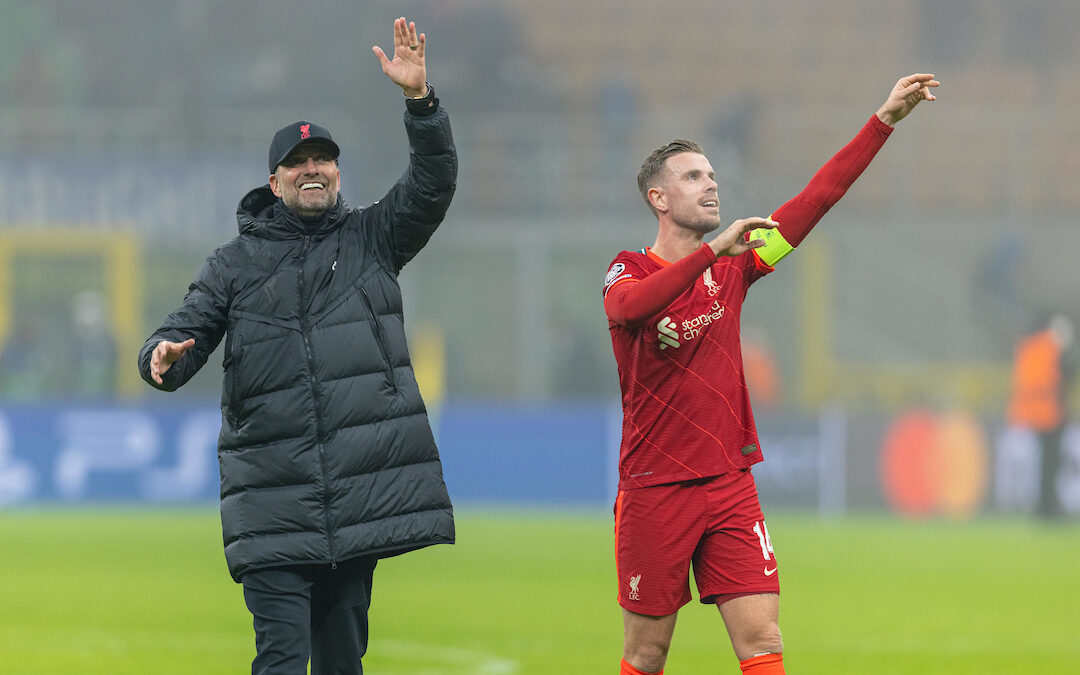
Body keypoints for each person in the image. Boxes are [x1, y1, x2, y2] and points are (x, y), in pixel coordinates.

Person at [137, 17, 456, 674]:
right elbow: (184, 330)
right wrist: (161, 356)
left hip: (353, 503)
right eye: (297, 164)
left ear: (337, 171)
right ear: (274, 182)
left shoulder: (374, 240)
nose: (313, 170)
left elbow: (433, 185)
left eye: (323, 160)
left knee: (342, 662)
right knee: (280, 659)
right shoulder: (234, 263)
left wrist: (420, 103)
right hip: (273, 500)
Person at [603, 74, 939, 674]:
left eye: (712, 174)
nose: (711, 185)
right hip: (655, 488)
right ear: (658, 197)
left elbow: (818, 197)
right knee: (647, 654)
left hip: (729, 482)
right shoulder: (629, 269)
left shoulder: (740, 268)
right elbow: (628, 309)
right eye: (693, 176)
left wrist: (882, 121)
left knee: (762, 642)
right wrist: (712, 252)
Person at [1007, 313, 1074, 518]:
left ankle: (1044, 505)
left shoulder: (1030, 348)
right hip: (1049, 415)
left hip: (1034, 414)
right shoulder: (1047, 349)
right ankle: (1048, 507)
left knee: (1046, 464)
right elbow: (1057, 380)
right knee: (1050, 464)